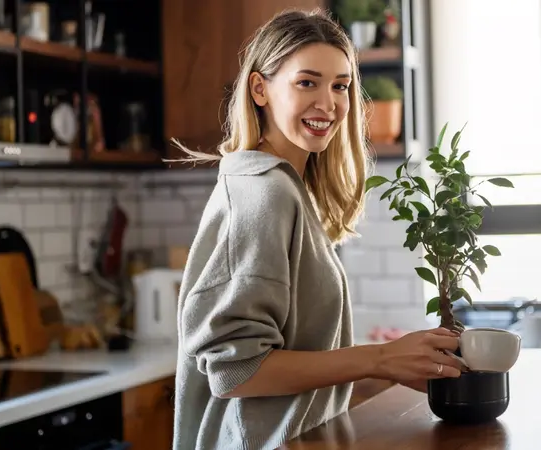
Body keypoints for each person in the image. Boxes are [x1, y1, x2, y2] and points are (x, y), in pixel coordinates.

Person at [171, 8, 462, 450]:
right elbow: (235, 372)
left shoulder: (285, 188)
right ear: (260, 89)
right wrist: (380, 359)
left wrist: (397, 360)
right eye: (307, 82)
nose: (328, 104)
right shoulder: (263, 194)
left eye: (340, 86)